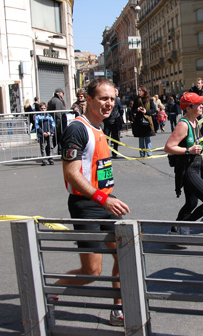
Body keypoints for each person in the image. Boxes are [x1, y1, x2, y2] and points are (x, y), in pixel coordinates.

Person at [57, 78, 130, 327]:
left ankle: (118, 309)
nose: (108, 103)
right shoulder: (77, 128)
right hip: (86, 206)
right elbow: (72, 174)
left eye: (111, 98)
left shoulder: (99, 127)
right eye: (102, 98)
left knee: (124, 254)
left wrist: (110, 196)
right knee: (91, 272)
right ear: (88, 99)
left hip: (106, 203)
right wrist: (103, 198)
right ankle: (50, 292)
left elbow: (99, 169)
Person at [164, 93, 203, 235]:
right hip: (187, 169)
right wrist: (189, 150)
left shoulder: (196, 121)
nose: (202, 106)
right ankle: (185, 225)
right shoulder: (183, 125)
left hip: (196, 166)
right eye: (198, 103)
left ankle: (175, 230)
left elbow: (196, 144)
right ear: (188, 108)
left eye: (201, 103)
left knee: (191, 203)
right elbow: (168, 147)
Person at [131, 86, 156, 157]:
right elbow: (133, 110)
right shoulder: (136, 100)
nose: (138, 92)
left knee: (147, 138)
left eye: (140, 91)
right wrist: (137, 109)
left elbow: (153, 110)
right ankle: (142, 153)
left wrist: (146, 111)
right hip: (139, 121)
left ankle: (149, 153)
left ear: (144, 91)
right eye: (138, 90)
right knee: (141, 138)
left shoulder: (149, 100)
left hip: (147, 121)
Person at [103, 87, 124, 158]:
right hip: (112, 121)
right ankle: (114, 152)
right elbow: (121, 109)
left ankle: (108, 152)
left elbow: (121, 109)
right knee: (114, 138)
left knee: (108, 137)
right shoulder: (116, 100)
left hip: (112, 121)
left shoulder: (113, 100)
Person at [47, 88, 67, 154]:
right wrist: (58, 123)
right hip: (59, 122)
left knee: (57, 138)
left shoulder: (52, 100)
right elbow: (58, 113)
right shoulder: (57, 101)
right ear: (60, 93)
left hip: (56, 122)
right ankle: (58, 151)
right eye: (62, 93)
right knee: (59, 137)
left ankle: (50, 150)